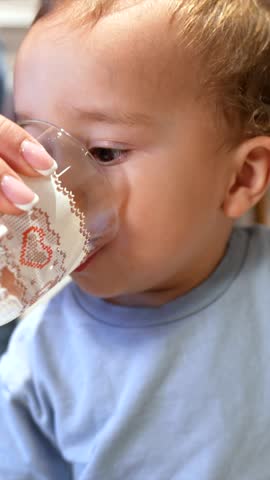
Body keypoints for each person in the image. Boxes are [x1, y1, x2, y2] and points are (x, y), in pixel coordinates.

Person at [0, 0, 270, 478]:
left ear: (239, 178)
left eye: (104, 152)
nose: (60, 190)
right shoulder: (40, 354)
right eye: (37, 149)